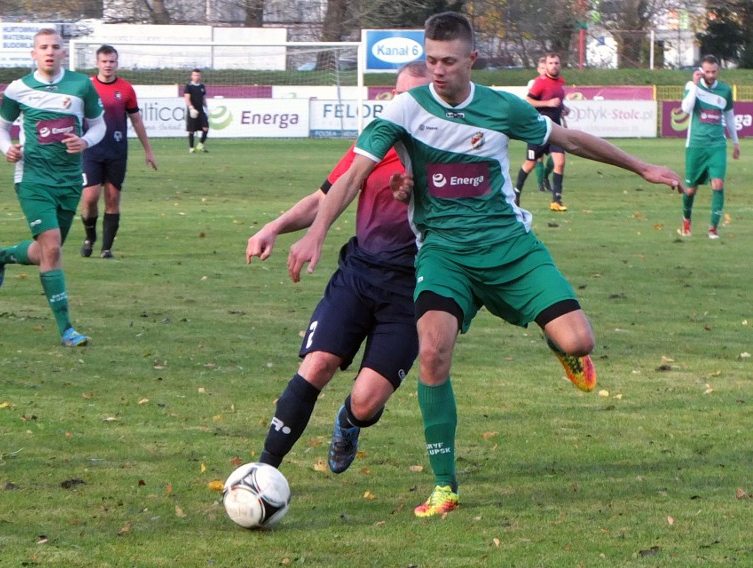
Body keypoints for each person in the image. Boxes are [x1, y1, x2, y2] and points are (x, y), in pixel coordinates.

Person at [285, 12, 681, 518]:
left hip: (510, 249)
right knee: (432, 351)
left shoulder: (501, 107)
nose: (438, 71)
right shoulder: (404, 110)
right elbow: (352, 174)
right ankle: (445, 486)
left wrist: (643, 166)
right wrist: (316, 232)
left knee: (579, 340)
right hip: (444, 254)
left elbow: (571, 140)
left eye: (449, 61)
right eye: (431, 60)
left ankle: (561, 346)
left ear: (471, 60)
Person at [247, 61, 430, 474]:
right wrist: (274, 227)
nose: (410, 107)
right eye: (403, 97)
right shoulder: (375, 141)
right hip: (360, 274)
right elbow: (324, 196)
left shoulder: (450, 151)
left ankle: (350, 422)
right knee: (317, 364)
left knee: (367, 402)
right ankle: (262, 472)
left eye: (420, 98)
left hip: (412, 290)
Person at [0, 28, 106, 347]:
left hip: (68, 181)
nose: (50, 52)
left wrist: (84, 141)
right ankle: (67, 329)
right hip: (33, 179)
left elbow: (98, 126)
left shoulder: (81, 85)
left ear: (63, 52)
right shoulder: (19, 89)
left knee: (45, 252)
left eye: (55, 47)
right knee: (52, 248)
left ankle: (0, 256)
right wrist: (7, 149)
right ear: (34, 53)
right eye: (43, 47)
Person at [79, 44, 157, 260]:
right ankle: (90, 237)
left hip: (116, 151)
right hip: (91, 150)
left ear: (117, 63)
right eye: (104, 61)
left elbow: (136, 119)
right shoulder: (86, 87)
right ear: (97, 63)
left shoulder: (126, 89)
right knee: (90, 198)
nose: (108, 65)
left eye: (112, 61)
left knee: (113, 198)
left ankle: (106, 248)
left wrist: (148, 150)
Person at [678, 54, 741, 239]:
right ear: (701, 71)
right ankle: (686, 221)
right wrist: (695, 86)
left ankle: (713, 229)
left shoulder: (725, 90)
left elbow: (729, 117)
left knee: (718, 184)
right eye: (707, 71)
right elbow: (686, 109)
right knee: (690, 190)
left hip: (717, 145)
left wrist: (735, 142)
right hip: (696, 145)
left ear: (718, 70)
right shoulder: (692, 87)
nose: (711, 75)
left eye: (714, 71)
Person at [514, 53, 570, 211]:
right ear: (546, 65)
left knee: (560, 162)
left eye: (557, 63)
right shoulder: (540, 82)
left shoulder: (560, 82)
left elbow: (557, 103)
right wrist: (548, 103)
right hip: (538, 129)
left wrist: (563, 108)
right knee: (530, 164)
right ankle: (516, 194)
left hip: (555, 130)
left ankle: (556, 201)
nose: (554, 66)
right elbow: (528, 101)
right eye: (551, 63)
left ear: (560, 65)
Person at [526, 57, 554, 197]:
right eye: (542, 68)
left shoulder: (552, 83)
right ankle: (540, 185)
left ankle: (545, 176)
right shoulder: (534, 83)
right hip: (537, 125)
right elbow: (530, 101)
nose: (544, 71)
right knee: (538, 158)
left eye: (546, 68)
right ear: (538, 69)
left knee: (555, 158)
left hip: (551, 124)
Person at [184, 69, 209, 153]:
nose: (196, 77)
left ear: (200, 76)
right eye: (194, 75)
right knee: (192, 130)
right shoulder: (188, 86)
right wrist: (191, 108)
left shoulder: (202, 86)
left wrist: (206, 108)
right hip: (192, 110)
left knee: (206, 128)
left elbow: (203, 98)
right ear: (192, 76)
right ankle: (191, 147)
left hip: (201, 110)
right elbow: (187, 98)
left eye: (198, 75)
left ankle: (200, 144)